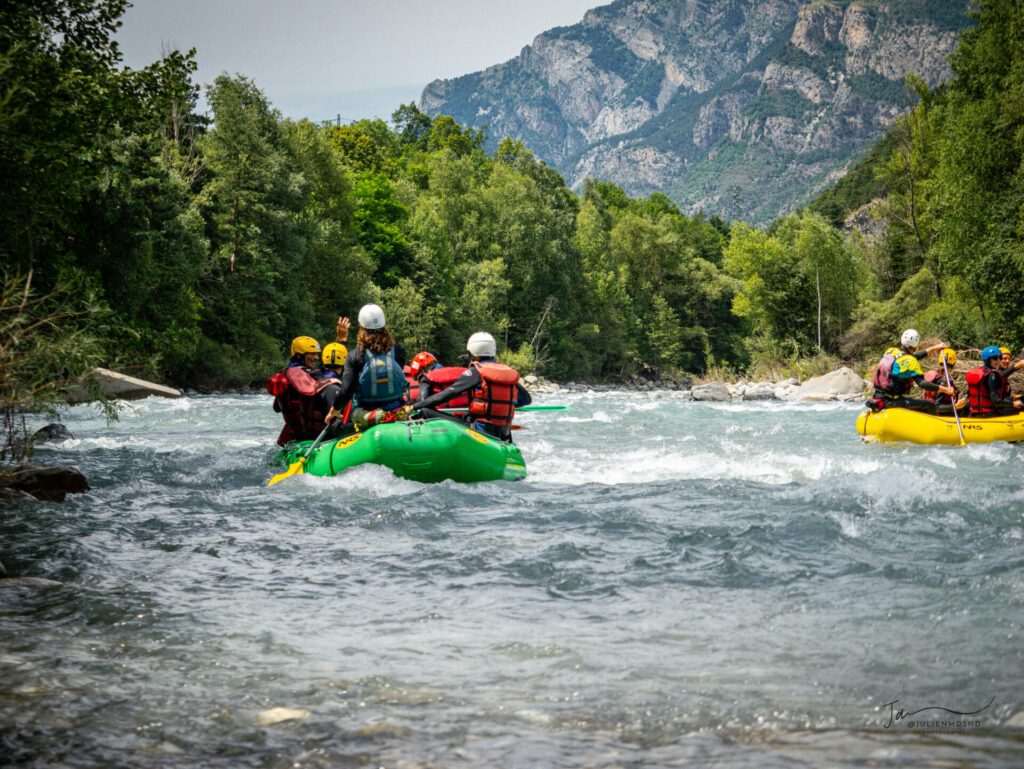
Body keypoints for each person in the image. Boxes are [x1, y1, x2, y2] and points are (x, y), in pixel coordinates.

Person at [407, 331, 532, 442]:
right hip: (503, 433)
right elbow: (526, 399)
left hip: (479, 432)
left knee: (425, 411)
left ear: (473, 353)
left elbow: (445, 396)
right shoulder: (506, 372)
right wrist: (501, 406)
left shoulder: (475, 372)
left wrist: (413, 406)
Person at [328, 303, 408, 429]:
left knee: (345, 420)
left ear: (361, 326)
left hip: (369, 415)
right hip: (398, 413)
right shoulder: (399, 351)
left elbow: (347, 391)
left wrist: (334, 409)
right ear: (384, 326)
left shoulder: (355, 356)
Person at [267, 336, 343, 446]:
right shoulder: (312, 376)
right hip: (319, 436)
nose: (316, 358)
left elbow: (277, 408)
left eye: (316, 354)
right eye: (312, 354)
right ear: (299, 355)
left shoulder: (284, 376)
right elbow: (333, 374)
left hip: (297, 436)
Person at [871, 328, 954, 412]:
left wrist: (936, 347)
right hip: (891, 401)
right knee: (930, 405)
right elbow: (922, 384)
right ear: (916, 345)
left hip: (877, 396)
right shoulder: (911, 361)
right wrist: (946, 389)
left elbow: (914, 355)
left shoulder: (890, 351)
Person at [966, 345, 1024, 416]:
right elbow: (996, 401)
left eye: (1000, 358)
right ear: (987, 360)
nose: (998, 360)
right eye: (995, 358)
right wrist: (1013, 404)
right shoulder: (992, 375)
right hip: (991, 412)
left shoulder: (983, 372)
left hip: (979, 412)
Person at [922, 348, 967, 414]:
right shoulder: (944, 380)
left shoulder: (934, 374)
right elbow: (937, 406)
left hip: (926, 411)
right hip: (938, 415)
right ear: (953, 363)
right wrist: (956, 406)